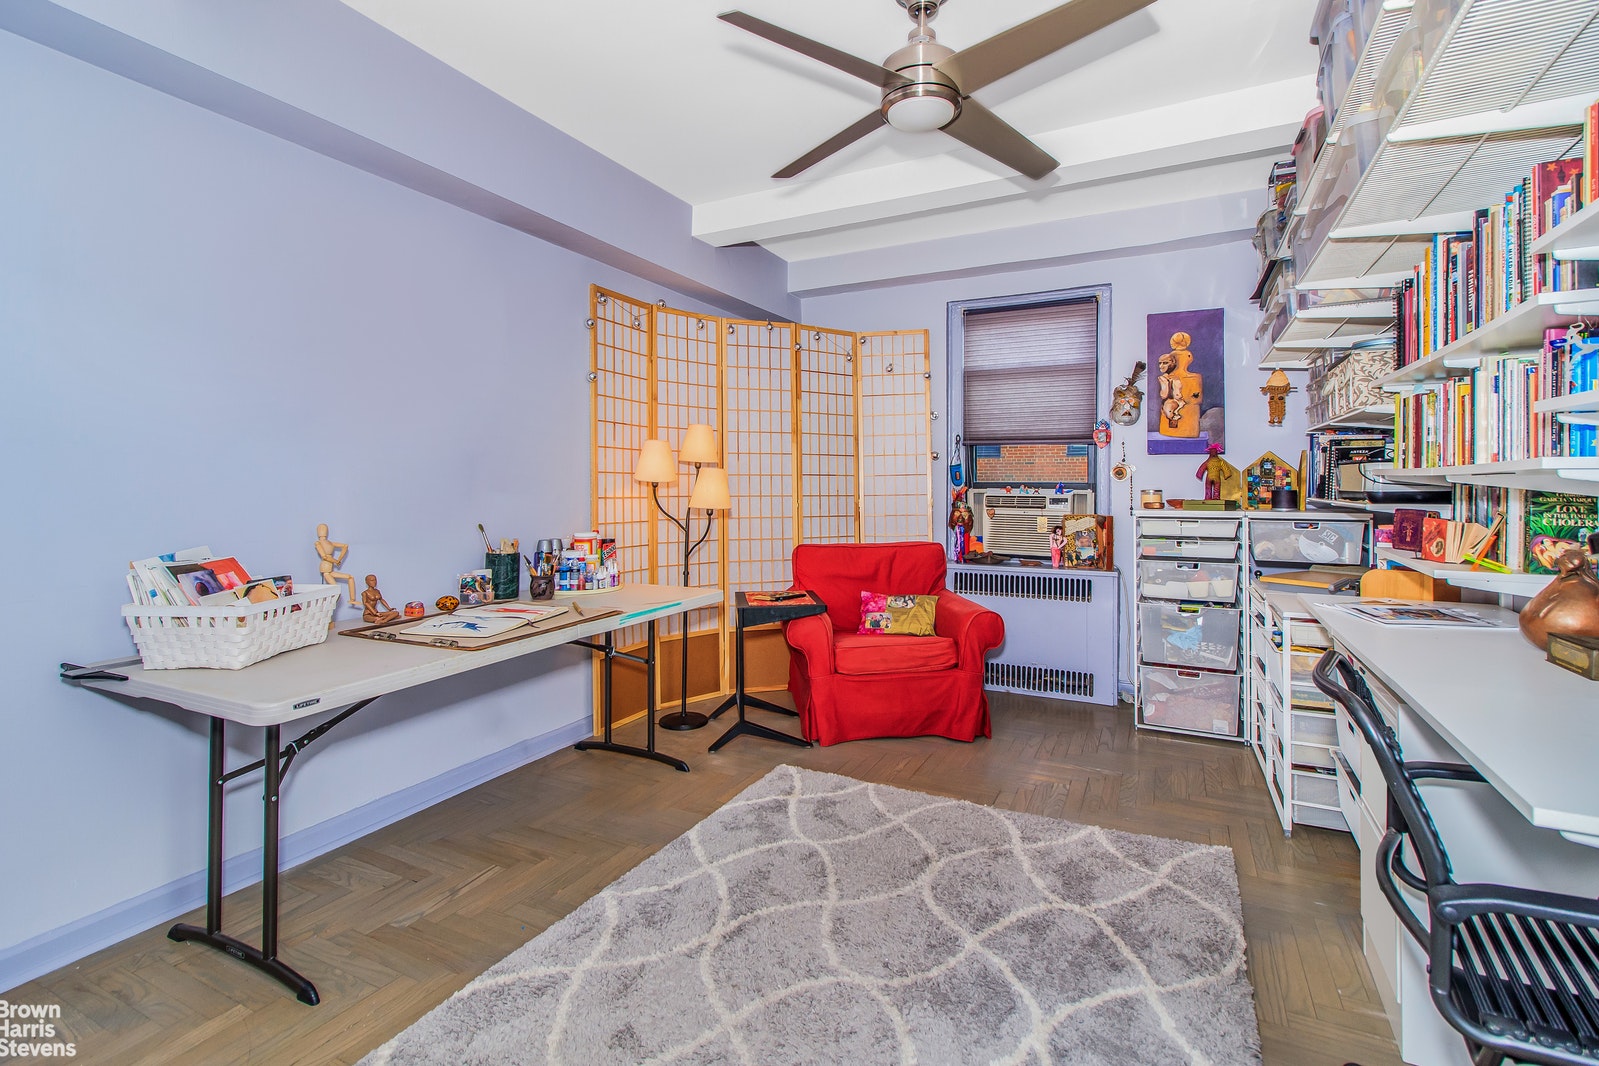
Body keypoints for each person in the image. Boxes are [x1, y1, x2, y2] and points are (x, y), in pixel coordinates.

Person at [315, 523, 359, 607]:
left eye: (324, 529)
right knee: (336, 590)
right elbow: (324, 556)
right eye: (321, 529)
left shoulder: (330, 543)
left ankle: (352, 599)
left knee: (350, 577)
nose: (323, 531)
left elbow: (345, 546)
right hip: (325, 570)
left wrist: (339, 558)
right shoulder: (318, 543)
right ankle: (328, 607)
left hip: (330, 570)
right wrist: (336, 561)